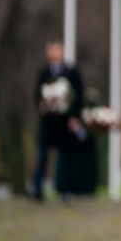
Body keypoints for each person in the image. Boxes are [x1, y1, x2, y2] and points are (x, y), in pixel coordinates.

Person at [32, 41, 85, 202]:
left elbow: (79, 95)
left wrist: (75, 117)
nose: (54, 53)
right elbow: (37, 94)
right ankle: (37, 190)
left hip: (66, 122)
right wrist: (42, 105)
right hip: (48, 122)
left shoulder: (72, 71)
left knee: (68, 157)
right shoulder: (44, 72)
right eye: (51, 50)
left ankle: (66, 190)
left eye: (57, 50)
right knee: (42, 156)